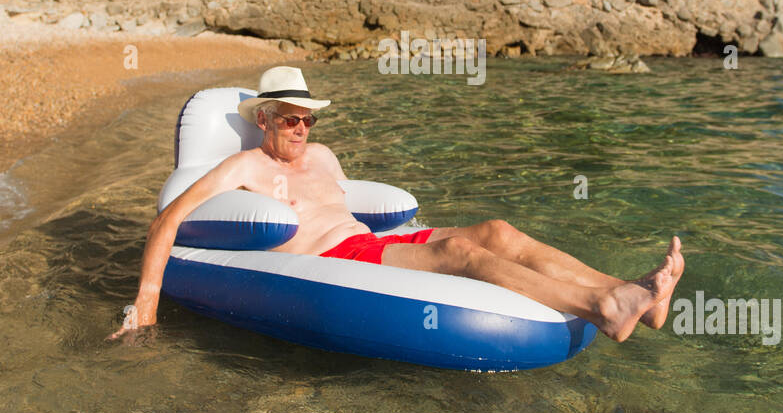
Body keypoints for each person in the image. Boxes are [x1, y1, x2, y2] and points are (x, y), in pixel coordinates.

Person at [110, 66, 684, 345]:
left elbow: (354, 207)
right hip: (336, 258)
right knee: (460, 252)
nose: (302, 127)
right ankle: (601, 307)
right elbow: (169, 218)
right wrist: (147, 302)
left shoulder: (324, 157)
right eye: (290, 117)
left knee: (497, 231)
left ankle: (636, 295)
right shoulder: (243, 169)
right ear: (263, 118)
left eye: (308, 117)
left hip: (373, 242)